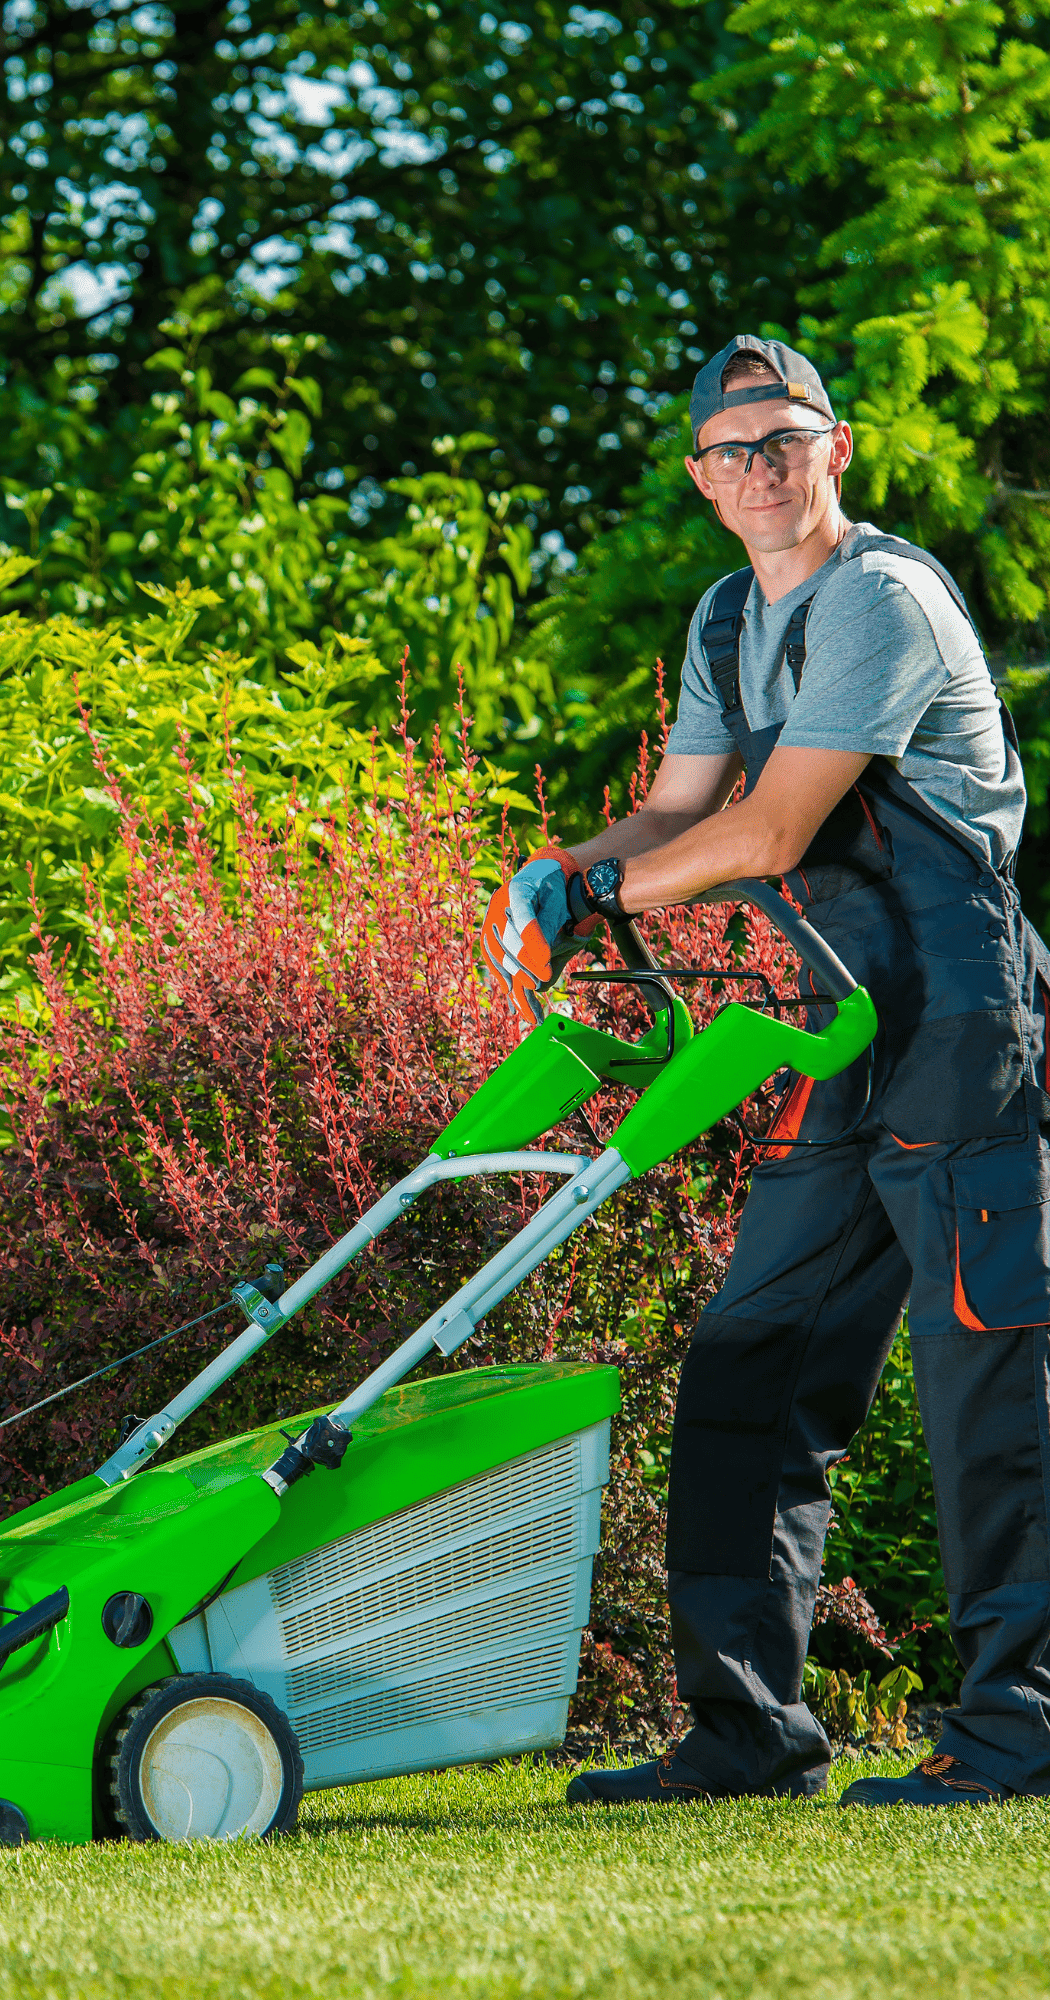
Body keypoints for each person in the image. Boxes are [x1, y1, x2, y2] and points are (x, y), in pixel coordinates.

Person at [479, 334, 1050, 1806]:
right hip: (839, 1017)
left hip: (962, 1018)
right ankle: (745, 1730)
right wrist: (562, 869)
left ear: (835, 450)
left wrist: (614, 899)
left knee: (986, 1375)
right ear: (700, 476)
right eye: (733, 449)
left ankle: (1016, 1734)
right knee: (753, 1356)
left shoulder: (881, 596)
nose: (762, 469)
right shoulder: (731, 614)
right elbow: (679, 813)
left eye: (785, 441)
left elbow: (772, 834)